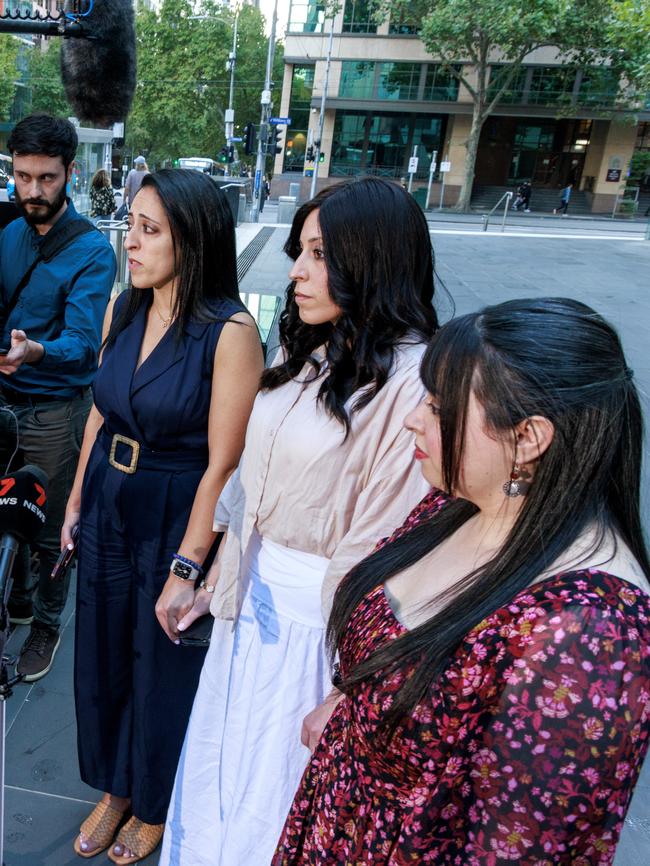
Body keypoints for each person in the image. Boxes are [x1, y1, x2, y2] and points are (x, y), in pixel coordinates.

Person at [273, 297, 650, 866]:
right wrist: (351, 705)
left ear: (528, 438)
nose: (412, 419)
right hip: (337, 823)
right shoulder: (459, 502)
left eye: (438, 406)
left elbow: (520, 849)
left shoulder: (589, 633)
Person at [159, 177, 440, 866]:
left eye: (319, 254)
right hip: (248, 604)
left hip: (321, 633)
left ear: (371, 260)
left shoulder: (415, 380)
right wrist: (210, 575)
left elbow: (388, 546)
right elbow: (249, 483)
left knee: (278, 793)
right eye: (300, 250)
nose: (298, 271)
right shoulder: (308, 351)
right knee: (221, 773)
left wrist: (352, 681)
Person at [65, 169, 263, 864]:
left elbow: (225, 463)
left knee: (160, 664)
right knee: (103, 654)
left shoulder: (229, 331)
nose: (131, 242)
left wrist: (189, 562)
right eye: (131, 224)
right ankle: (115, 787)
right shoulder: (127, 305)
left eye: (150, 231)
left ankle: (153, 799)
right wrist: (76, 499)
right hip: (108, 500)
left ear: (195, 240)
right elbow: (101, 407)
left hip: (175, 507)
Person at [0, 114, 116, 681]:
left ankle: (45, 623)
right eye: (23, 177)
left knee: (50, 527)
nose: (33, 192)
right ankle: (16, 601)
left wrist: (33, 351)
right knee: (6, 508)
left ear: (71, 173)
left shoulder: (93, 251)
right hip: (4, 401)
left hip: (54, 410)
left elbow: (83, 343)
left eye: (46, 179)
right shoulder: (8, 235)